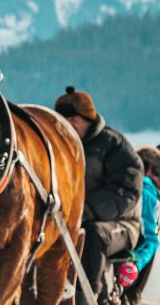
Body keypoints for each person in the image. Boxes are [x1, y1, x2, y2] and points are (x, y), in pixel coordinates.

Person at [56, 85, 144, 284]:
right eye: (64, 121)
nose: (69, 125)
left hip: (120, 223)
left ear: (88, 120)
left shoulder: (113, 145)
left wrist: (84, 211)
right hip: (68, 220)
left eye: (74, 120)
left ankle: (87, 300)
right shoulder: (59, 148)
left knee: (93, 235)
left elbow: (127, 189)